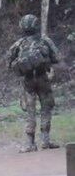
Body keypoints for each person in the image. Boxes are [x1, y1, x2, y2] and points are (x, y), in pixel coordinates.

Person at [6, 14, 61, 152]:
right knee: (46, 108)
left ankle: (30, 144)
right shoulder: (45, 41)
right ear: (36, 26)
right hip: (43, 79)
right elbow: (56, 58)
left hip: (27, 81)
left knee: (30, 110)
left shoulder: (18, 44)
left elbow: (8, 63)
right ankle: (46, 141)